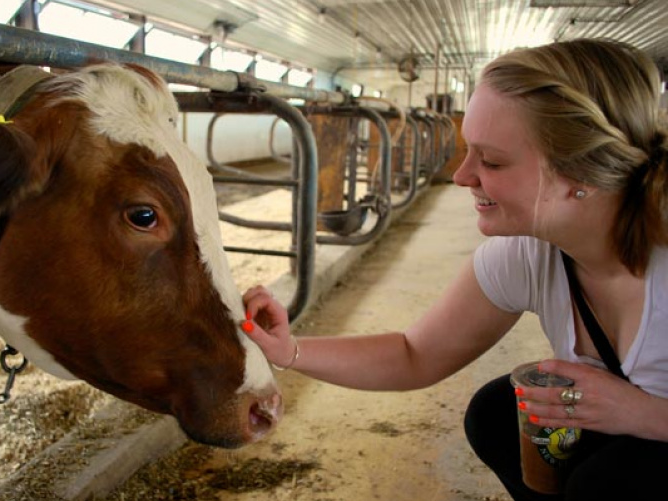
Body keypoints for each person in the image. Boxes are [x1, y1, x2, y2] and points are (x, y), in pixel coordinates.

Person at [241, 38, 668, 501]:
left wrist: (641, 413)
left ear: (582, 174)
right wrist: (288, 351)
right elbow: (414, 354)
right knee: (498, 415)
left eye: (492, 160)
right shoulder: (530, 254)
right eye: (468, 151)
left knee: (612, 480)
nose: (462, 175)